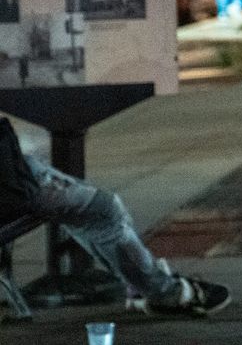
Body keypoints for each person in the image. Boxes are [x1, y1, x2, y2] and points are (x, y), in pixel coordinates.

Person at [0, 118, 230, 317]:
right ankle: (167, 293)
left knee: (85, 206)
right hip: (11, 188)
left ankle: (143, 284)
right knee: (103, 211)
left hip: (16, 179)